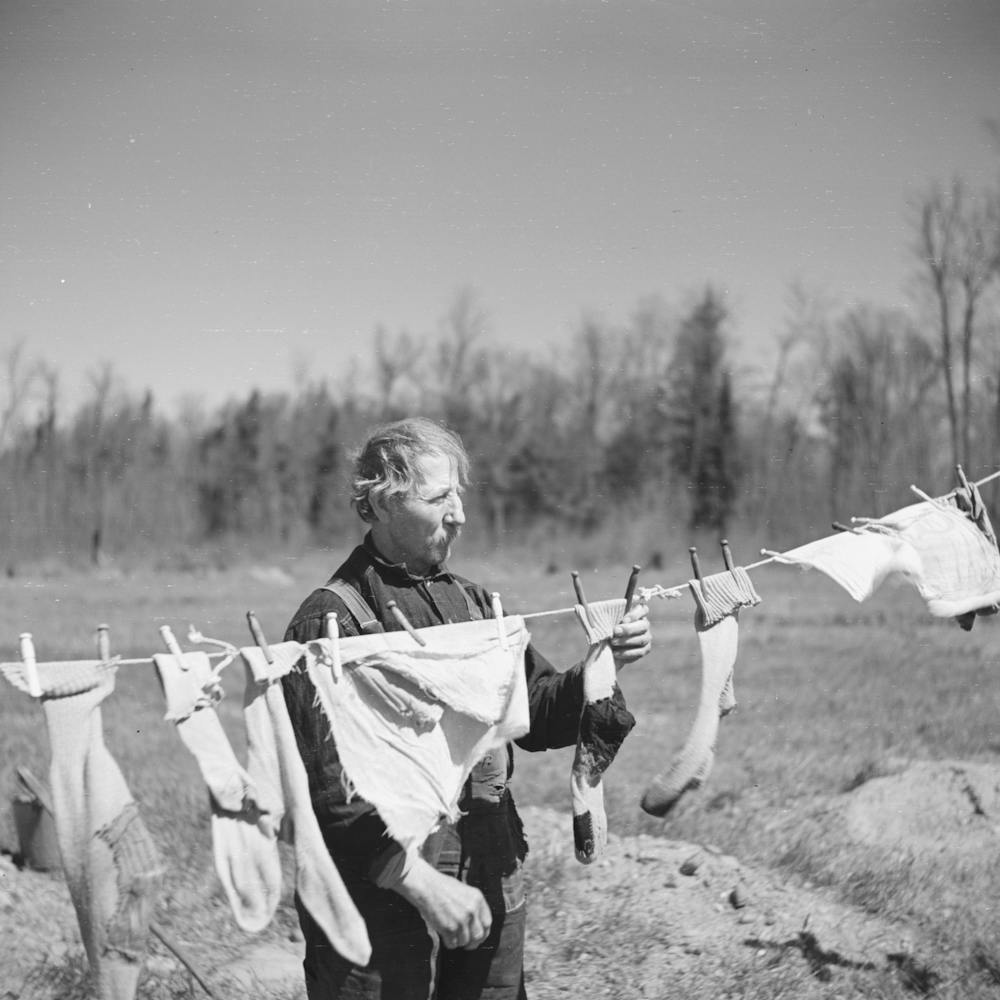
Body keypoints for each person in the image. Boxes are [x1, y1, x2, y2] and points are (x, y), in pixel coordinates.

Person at [282, 417, 651, 1000]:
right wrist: (420, 883)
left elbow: (534, 713)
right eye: (438, 498)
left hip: (488, 865)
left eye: (458, 494)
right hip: (381, 896)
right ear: (382, 502)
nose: (458, 515)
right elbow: (329, 792)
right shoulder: (331, 621)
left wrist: (604, 665)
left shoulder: (475, 605)